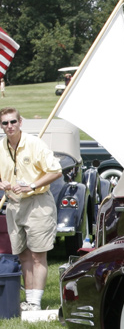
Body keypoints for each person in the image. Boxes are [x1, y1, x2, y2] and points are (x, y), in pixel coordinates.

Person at [0, 107, 62, 312]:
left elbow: (56, 171)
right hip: (14, 204)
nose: (9, 126)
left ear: (20, 122)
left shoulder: (34, 144)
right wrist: (3, 183)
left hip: (37, 201)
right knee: (23, 255)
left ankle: (36, 302)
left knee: (37, 254)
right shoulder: (1, 146)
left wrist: (32, 185)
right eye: (5, 123)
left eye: (12, 122)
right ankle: (29, 301)